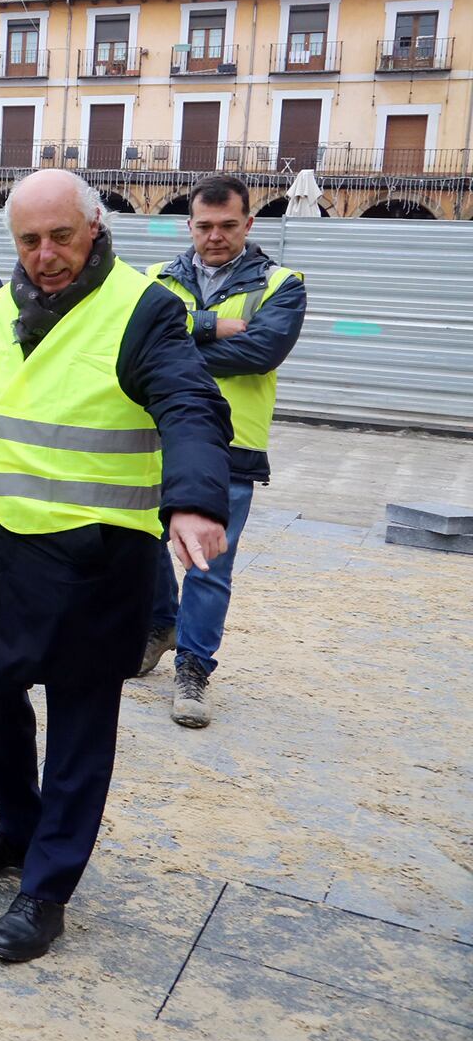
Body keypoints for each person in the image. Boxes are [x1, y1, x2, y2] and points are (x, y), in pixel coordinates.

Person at [0, 170, 229, 962]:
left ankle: (48, 886)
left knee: (80, 725)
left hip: (91, 560)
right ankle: (16, 828)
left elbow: (191, 404)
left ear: (95, 224)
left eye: (60, 235)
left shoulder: (145, 307)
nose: (45, 254)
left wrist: (193, 498)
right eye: (28, 240)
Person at [140, 174, 305, 727]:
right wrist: (213, 325)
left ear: (249, 224)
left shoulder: (282, 283)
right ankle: (162, 625)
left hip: (231, 447)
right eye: (204, 226)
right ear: (189, 224)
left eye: (228, 225)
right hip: (155, 437)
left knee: (208, 565)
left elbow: (261, 352)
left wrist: (173, 350)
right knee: (143, 543)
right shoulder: (156, 279)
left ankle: (193, 668)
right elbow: (131, 341)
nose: (215, 236)